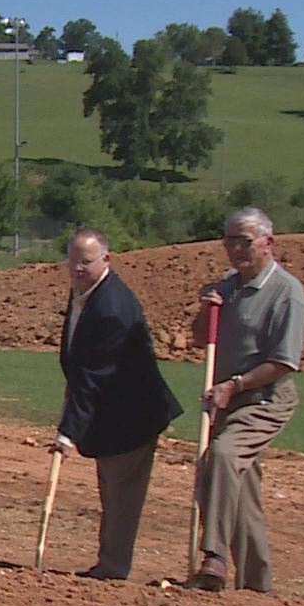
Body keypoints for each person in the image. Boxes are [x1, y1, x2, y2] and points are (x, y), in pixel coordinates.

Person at [188, 207, 304, 593]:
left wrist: (233, 385)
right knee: (240, 489)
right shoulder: (228, 285)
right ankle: (258, 587)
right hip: (228, 400)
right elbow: (198, 336)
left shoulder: (287, 293)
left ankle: (215, 556)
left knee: (221, 457)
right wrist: (208, 309)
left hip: (264, 400)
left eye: (245, 241)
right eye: (229, 242)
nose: (236, 249)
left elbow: (283, 363)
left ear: (268, 244)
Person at [51, 228, 183, 580]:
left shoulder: (112, 307)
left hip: (131, 416)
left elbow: (93, 377)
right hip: (108, 414)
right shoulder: (84, 292)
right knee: (111, 490)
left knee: (121, 495)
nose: (78, 268)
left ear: (106, 260)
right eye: (73, 260)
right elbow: (81, 365)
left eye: (87, 261)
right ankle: (108, 564)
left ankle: (112, 568)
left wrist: (67, 433)